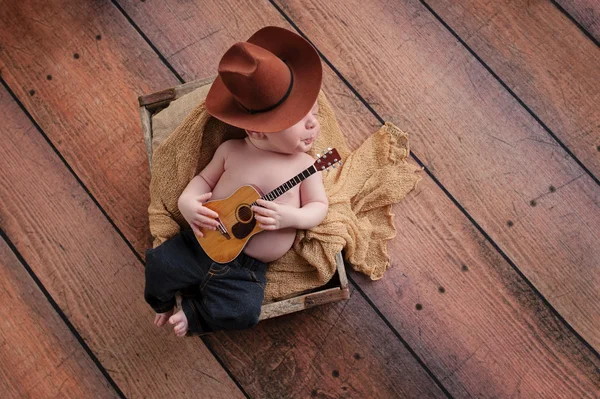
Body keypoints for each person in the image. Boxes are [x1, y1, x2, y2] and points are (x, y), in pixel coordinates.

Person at [144, 26, 329, 337]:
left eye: (315, 112)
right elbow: (203, 179)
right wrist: (187, 202)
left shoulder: (307, 165)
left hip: (245, 270)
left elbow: (319, 206)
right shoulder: (231, 150)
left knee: (244, 311)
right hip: (200, 243)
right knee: (158, 266)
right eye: (300, 120)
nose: (313, 123)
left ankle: (195, 314)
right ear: (257, 132)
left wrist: (291, 217)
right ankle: (162, 303)